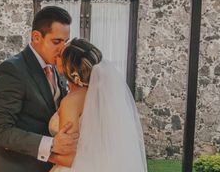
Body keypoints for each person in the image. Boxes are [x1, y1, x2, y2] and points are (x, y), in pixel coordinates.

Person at [0, 6, 79, 172]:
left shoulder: (56, 71)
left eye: (65, 42)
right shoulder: (11, 70)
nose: (63, 49)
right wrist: (51, 144)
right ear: (36, 37)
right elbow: (0, 131)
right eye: (56, 41)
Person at [48, 38, 147, 172]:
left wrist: (36, 152)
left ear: (68, 66)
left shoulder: (71, 102)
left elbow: (68, 158)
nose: (56, 56)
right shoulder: (103, 96)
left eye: (60, 56)